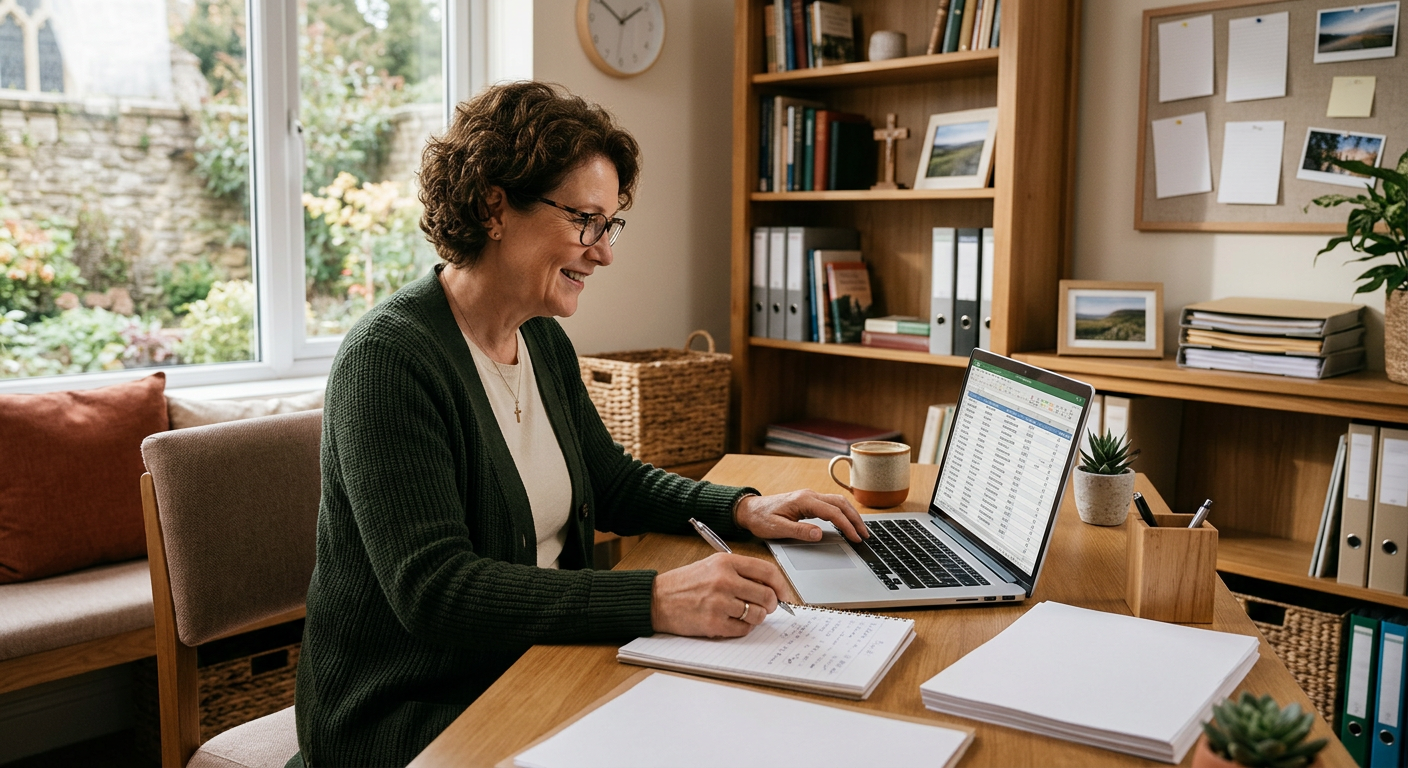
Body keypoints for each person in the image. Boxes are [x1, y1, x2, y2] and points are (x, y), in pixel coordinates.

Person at [289, 81, 870, 767]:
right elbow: (435, 591)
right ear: (492, 205)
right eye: (583, 221)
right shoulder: (388, 361)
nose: (604, 251)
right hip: (410, 711)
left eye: (609, 223)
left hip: (533, 663)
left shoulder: (540, 339)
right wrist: (655, 597)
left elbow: (610, 480)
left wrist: (743, 507)